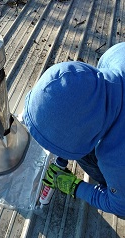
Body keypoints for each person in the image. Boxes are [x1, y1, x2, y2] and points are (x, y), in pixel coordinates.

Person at [23, 42, 125, 218]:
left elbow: (120, 206)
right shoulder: (115, 55)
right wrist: (63, 148)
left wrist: (75, 186)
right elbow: (85, 102)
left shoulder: (116, 157)